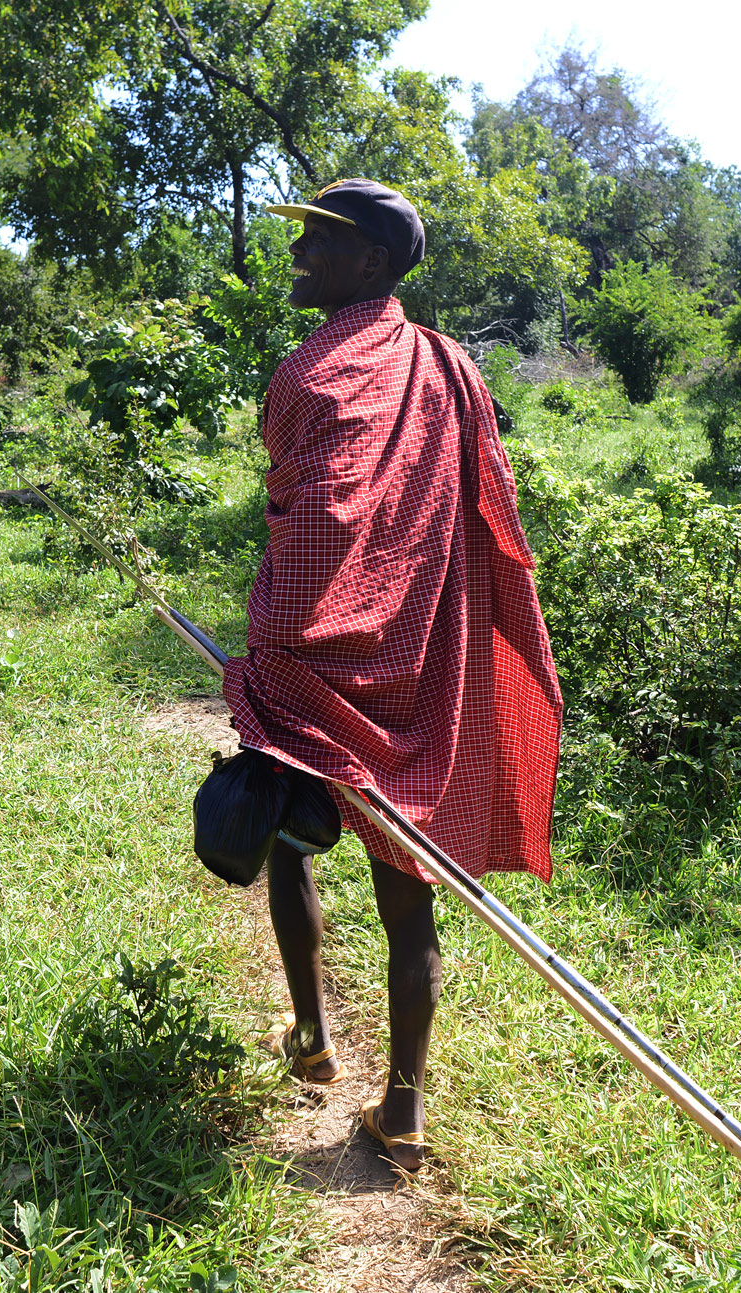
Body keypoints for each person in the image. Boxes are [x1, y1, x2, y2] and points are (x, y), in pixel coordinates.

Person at [225, 178, 564, 1172]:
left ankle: (311, 1037)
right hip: (419, 665)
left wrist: (270, 649)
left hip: (316, 665)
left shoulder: (308, 372)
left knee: (287, 842)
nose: (298, 256)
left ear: (368, 263)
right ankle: (403, 1110)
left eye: (318, 243)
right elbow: (477, 511)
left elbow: (312, 529)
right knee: (406, 885)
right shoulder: (450, 366)